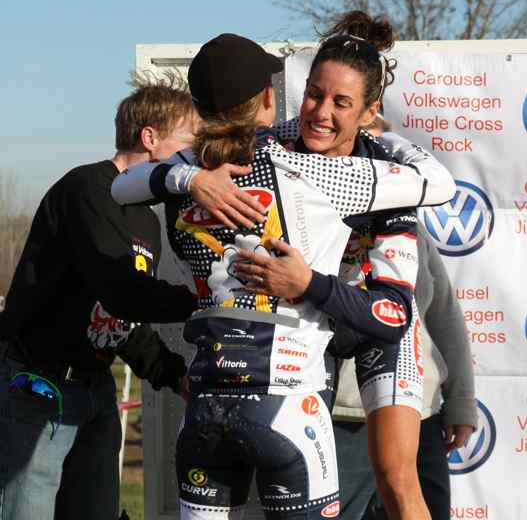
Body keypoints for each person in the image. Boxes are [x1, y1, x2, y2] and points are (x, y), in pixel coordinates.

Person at [110, 32, 455, 520]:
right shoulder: (272, 146)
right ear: (287, 95)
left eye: (341, 102)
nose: (320, 113)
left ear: (368, 109)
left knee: (397, 478)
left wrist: (308, 283)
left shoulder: (378, 169)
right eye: (314, 94)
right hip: (299, 337)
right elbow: (134, 183)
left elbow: (393, 314)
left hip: (367, 319)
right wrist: (194, 177)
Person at [0, 73, 211, 520]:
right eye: (188, 142)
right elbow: (123, 295)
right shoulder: (87, 190)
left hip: (95, 391)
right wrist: (208, 298)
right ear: (149, 137)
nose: (195, 157)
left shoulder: (147, 221)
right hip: (40, 387)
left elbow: (121, 322)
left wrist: (173, 375)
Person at [328, 115, 477, 520]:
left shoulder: (410, 227)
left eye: (385, 156)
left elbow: (442, 313)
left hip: (421, 414)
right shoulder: (318, 222)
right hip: (344, 419)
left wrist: (461, 401)